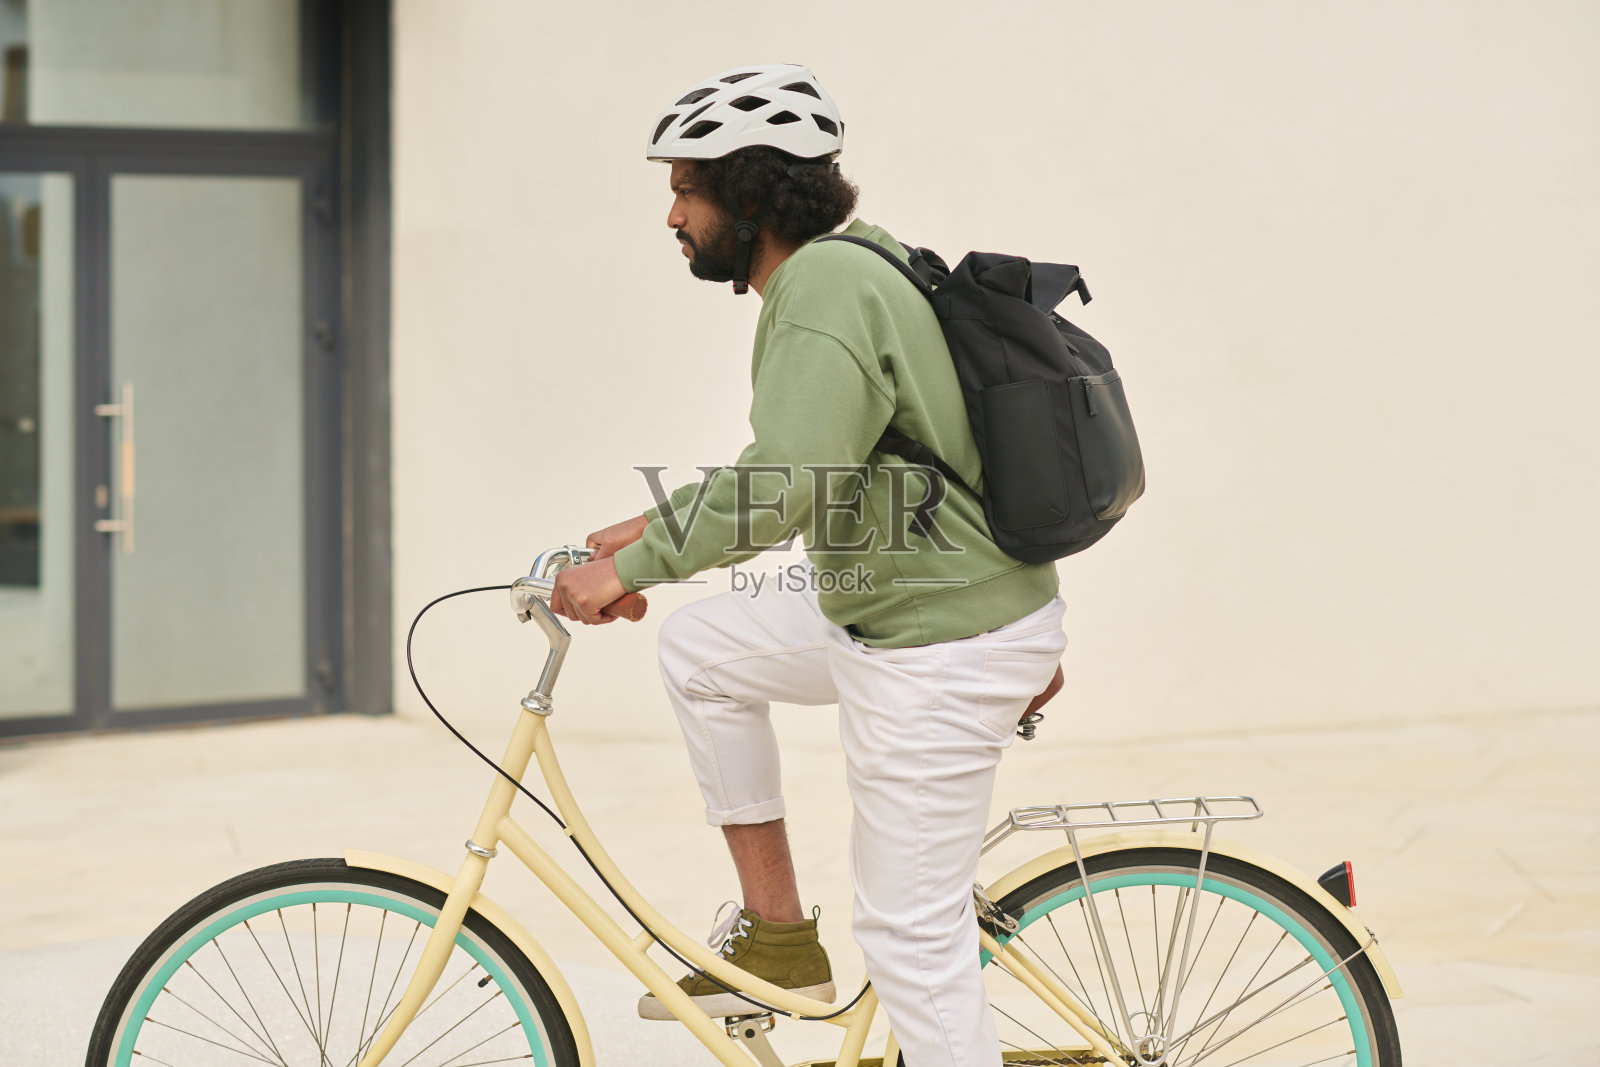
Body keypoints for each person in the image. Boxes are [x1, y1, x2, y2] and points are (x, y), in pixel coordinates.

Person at [549, 63, 1066, 1067]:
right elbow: (810, 462)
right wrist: (647, 532)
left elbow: (787, 482)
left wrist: (640, 564)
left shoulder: (827, 285)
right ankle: (780, 937)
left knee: (912, 939)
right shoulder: (853, 265)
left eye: (683, 190)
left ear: (748, 196)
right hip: (910, 611)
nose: (670, 215)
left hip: (940, 640)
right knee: (703, 649)